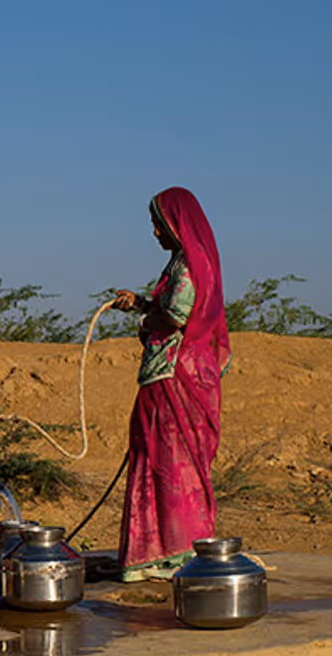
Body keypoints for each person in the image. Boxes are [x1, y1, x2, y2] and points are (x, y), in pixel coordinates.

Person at [112, 187, 231, 582]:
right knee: (179, 461)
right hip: (194, 372)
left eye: (157, 225)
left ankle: (168, 552)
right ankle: (179, 547)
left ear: (174, 225)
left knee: (165, 459)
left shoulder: (186, 268)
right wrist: (143, 303)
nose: (155, 233)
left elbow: (178, 315)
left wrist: (147, 320)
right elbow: (179, 309)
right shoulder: (193, 263)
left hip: (173, 374)